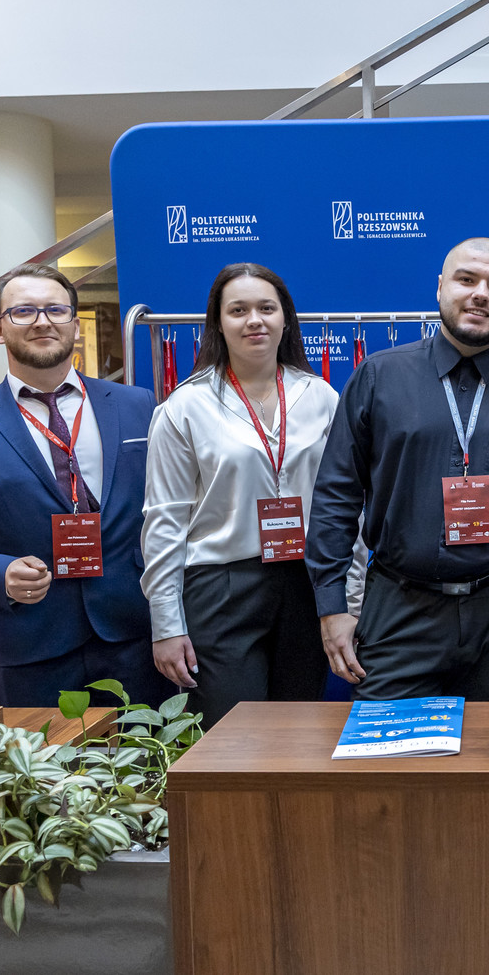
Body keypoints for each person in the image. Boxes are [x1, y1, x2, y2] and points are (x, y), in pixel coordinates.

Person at [306, 237, 489, 700]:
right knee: (384, 744)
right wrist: (332, 607)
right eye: (466, 279)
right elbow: (336, 496)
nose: (480, 294)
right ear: (440, 287)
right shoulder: (378, 377)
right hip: (399, 608)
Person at [0, 262, 172, 708]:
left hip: (136, 637)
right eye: (23, 311)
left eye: (56, 309)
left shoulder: (137, 405)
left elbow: (170, 511)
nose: (42, 321)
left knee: (149, 753)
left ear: (75, 323)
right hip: (31, 647)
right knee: (46, 758)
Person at [141, 263, 363, 729]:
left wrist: (351, 600)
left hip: (307, 585)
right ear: (219, 323)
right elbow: (164, 521)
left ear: (286, 320)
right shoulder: (186, 406)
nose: (254, 320)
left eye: (266, 308)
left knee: (300, 731)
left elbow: (348, 509)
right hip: (221, 588)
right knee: (231, 735)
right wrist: (167, 623)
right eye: (238, 310)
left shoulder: (321, 397)